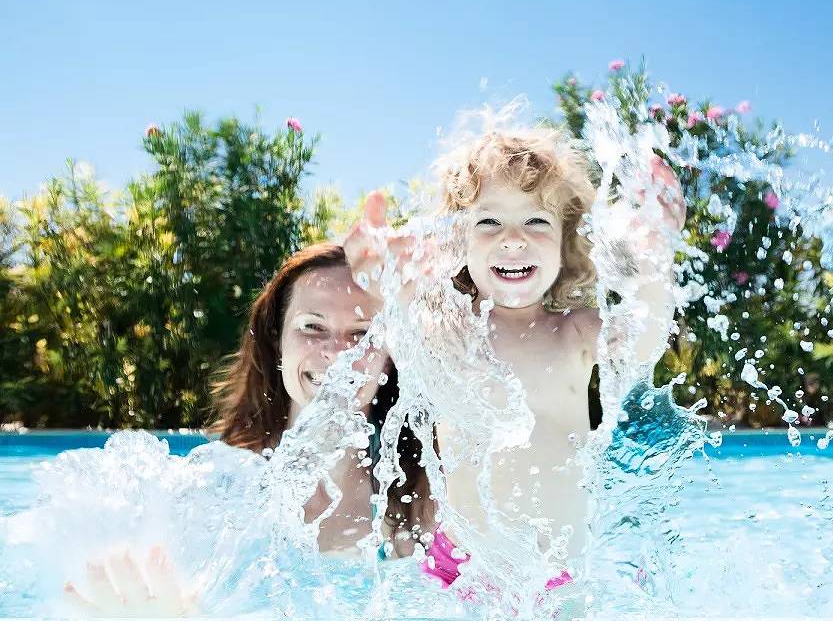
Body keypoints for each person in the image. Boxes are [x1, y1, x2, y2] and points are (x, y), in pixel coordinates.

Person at [345, 124, 685, 587]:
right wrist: (378, 272)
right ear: (456, 241)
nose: (512, 239)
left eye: (536, 221)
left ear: (566, 241)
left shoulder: (575, 332)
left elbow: (645, 338)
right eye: (488, 222)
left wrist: (654, 259)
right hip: (458, 567)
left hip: (553, 577)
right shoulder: (449, 331)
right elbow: (396, 317)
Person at [63, 242, 433, 615]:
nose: (336, 352)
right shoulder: (218, 489)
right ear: (277, 339)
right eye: (312, 327)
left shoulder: (423, 495)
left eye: (361, 332)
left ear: (390, 353)